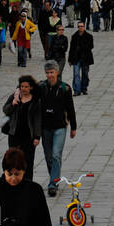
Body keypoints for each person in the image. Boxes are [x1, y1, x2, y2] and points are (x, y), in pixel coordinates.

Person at [39, 62, 77, 197]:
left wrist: (74, 127)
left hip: (60, 126)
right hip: (45, 127)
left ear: (57, 72)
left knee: (56, 155)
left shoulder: (65, 88)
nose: (50, 75)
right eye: (48, 73)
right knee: (49, 157)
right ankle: (54, 177)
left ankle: (52, 184)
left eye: (52, 72)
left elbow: (70, 108)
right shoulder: (41, 87)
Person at [2, 76, 42, 180]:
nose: (23, 89)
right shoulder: (15, 97)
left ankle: (28, 181)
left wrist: (37, 137)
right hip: (14, 134)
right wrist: (13, 104)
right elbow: (5, 110)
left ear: (31, 88)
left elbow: (37, 120)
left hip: (29, 136)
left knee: (28, 160)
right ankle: (13, 179)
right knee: (13, 159)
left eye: (26, 87)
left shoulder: (35, 100)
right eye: (22, 86)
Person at [68, 20, 94, 97]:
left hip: (85, 58)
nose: (80, 28)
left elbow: (91, 46)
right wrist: (70, 59)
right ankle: (77, 90)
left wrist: (81, 47)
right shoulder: (74, 36)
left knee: (85, 74)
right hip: (76, 58)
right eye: (79, 26)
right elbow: (71, 48)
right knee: (76, 74)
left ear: (84, 27)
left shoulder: (89, 36)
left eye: (82, 26)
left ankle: (84, 88)